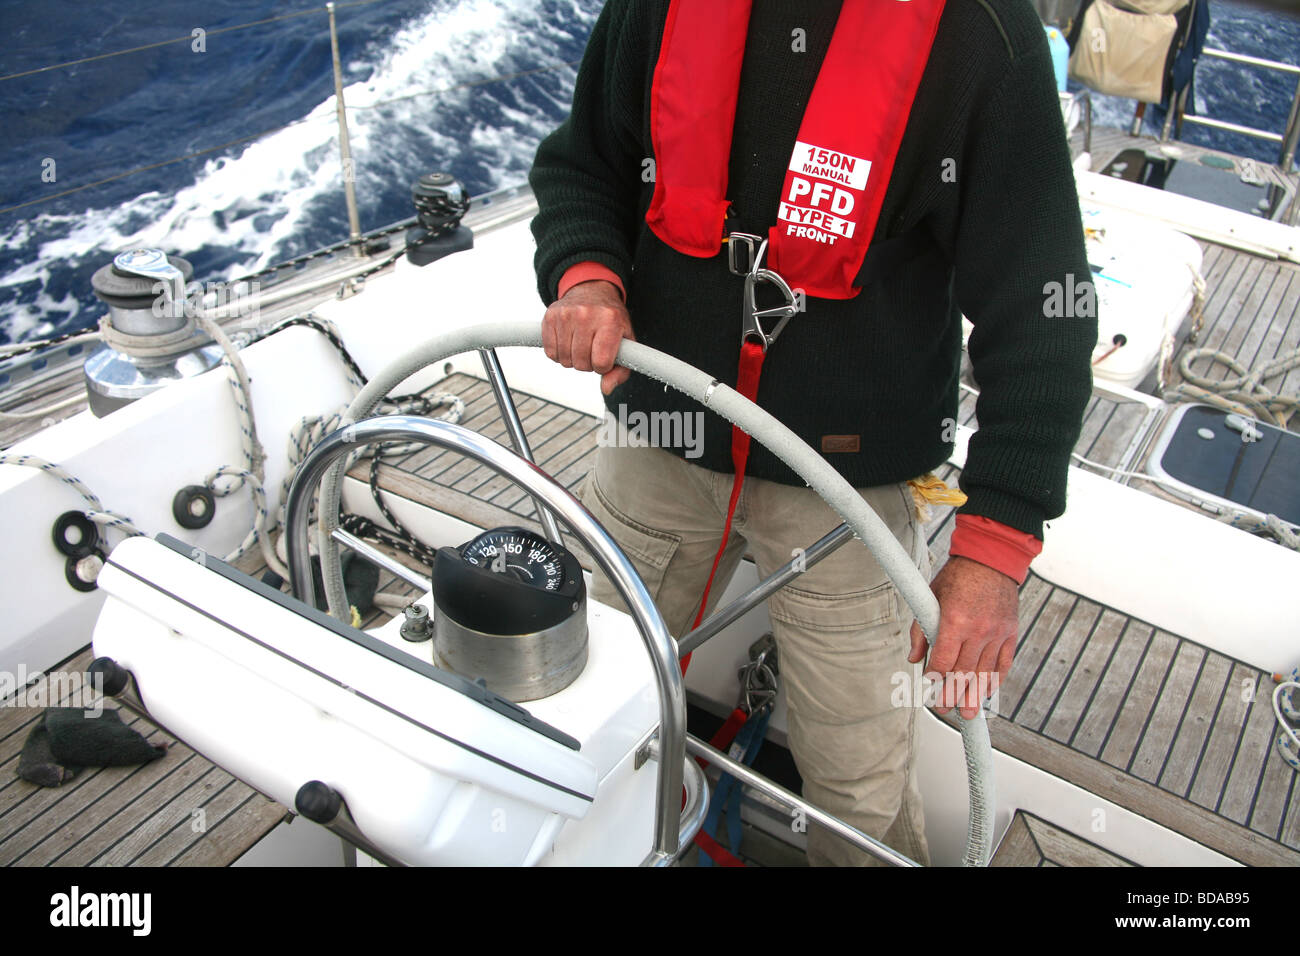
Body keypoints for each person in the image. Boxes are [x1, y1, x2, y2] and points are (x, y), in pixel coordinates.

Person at [528, 0, 1096, 866]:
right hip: (658, 437)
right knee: (565, 700)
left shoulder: (985, 31)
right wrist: (587, 277)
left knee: (859, 793)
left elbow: (1044, 308)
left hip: (848, 496)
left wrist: (992, 549)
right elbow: (583, 165)